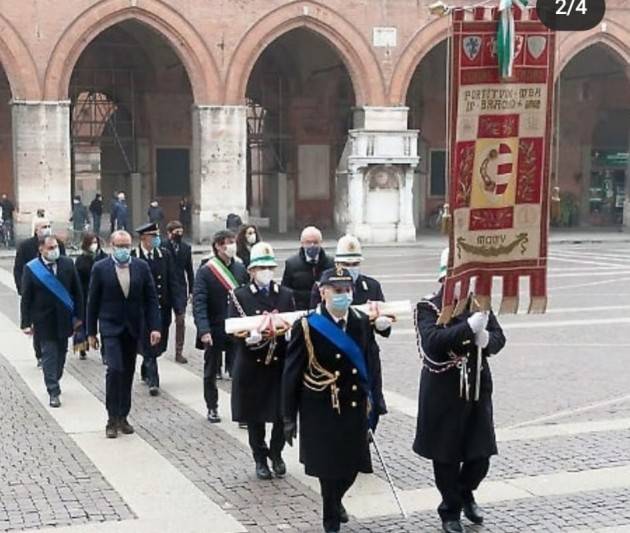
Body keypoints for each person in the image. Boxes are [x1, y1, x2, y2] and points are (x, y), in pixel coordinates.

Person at [413, 249, 506, 533]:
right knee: (447, 457)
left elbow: (500, 338)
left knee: (480, 456)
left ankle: (466, 493)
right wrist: (467, 328)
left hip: (477, 390)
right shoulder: (427, 307)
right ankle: (449, 510)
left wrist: (487, 338)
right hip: (444, 393)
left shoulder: (479, 304)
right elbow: (433, 342)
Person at [283, 267, 381, 533]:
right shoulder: (307, 325)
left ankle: (336, 501)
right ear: (323, 292)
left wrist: (377, 400)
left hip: (353, 406)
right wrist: (288, 415)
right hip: (322, 407)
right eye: (337, 291)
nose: (344, 295)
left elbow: (370, 362)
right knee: (329, 472)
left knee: (351, 468)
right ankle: (331, 522)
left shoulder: (360, 321)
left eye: (347, 290)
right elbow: (292, 372)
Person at [228, 242, 295, 480]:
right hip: (252, 365)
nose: (266, 271)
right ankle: (260, 458)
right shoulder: (240, 296)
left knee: (280, 414)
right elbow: (232, 330)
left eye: (269, 267)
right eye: (261, 267)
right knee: (255, 416)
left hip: (278, 365)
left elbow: (293, 324)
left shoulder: (285, 294)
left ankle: (276, 453)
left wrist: (289, 334)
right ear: (251, 271)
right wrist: (248, 338)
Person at [310, 234, 391, 427]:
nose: (352, 268)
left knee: (371, 406)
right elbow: (316, 321)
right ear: (337, 263)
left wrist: (383, 324)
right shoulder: (323, 286)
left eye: (355, 263)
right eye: (347, 264)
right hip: (335, 356)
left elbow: (385, 328)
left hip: (366, 355)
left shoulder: (371, 286)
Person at [87, 230, 161, 438]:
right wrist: (91, 332)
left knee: (128, 372)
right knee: (115, 369)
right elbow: (92, 301)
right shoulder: (100, 268)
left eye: (126, 245)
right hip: (110, 327)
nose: (123, 250)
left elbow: (151, 299)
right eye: (119, 246)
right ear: (111, 246)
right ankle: (111, 417)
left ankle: (123, 415)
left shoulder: (141, 266)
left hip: (133, 327)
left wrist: (155, 327)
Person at [20, 235, 83, 408]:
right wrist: (25, 322)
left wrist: (79, 316)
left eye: (56, 247)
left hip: (64, 318)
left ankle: (55, 377)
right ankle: (53, 390)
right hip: (43, 320)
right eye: (50, 248)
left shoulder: (67, 264)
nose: (54, 250)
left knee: (61, 355)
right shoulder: (31, 269)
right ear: (41, 249)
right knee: (49, 354)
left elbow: (77, 292)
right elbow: (26, 297)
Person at [193, 230, 248, 423]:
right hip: (214, 328)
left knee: (240, 371)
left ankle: (241, 411)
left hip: (236, 327)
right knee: (211, 372)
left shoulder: (241, 269)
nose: (232, 245)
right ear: (218, 245)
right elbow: (199, 302)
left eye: (233, 241)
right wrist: (204, 330)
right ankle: (212, 407)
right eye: (228, 242)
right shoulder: (206, 270)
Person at [131, 222, 185, 396]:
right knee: (149, 345)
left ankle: (147, 365)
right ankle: (154, 379)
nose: (156, 239)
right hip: (141, 310)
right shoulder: (134, 256)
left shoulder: (165, 255)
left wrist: (179, 306)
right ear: (143, 238)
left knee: (159, 345)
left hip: (162, 308)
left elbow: (173, 281)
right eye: (152, 236)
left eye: (157, 236)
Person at [14, 220, 67, 366]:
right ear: (36, 230)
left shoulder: (58, 245)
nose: (47, 229)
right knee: (39, 326)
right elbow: (18, 269)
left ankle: (55, 352)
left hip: (56, 292)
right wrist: (22, 289)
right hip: (34, 292)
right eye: (44, 227)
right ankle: (40, 354)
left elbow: (64, 266)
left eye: (49, 226)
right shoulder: (25, 246)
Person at [281, 226, 334, 310]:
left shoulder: (330, 263)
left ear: (321, 242)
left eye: (315, 242)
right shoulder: (291, 264)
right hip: (300, 310)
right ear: (302, 243)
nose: (312, 245)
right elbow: (285, 290)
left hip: (325, 310)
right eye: (308, 242)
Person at [163, 220, 194, 364]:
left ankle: (179, 352)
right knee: (164, 321)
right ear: (169, 234)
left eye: (181, 232)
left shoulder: (186, 248)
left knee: (180, 320)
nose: (179, 235)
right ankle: (159, 346)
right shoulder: (162, 247)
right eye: (176, 233)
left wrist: (192, 290)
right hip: (164, 288)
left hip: (180, 288)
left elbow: (190, 270)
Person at [74, 232, 107, 360]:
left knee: (104, 324)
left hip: (103, 295)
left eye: (95, 242)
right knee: (83, 323)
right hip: (85, 296)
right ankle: (82, 347)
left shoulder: (104, 257)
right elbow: (76, 280)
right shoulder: (81, 260)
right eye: (91, 242)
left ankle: (105, 352)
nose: (94, 245)